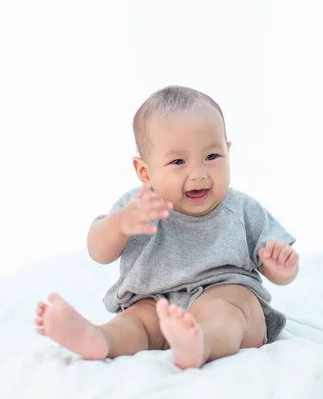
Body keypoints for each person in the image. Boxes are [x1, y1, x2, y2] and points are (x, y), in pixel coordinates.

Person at [34, 85, 299, 369]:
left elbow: (277, 269)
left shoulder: (242, 208)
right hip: (154, 302)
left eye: (212, 157)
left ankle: (201, 342)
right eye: (177, 162)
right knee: (136, 323)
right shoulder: (138, 207)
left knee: (229, 313)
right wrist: (119, 225)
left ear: (228, 151)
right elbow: (98, 251)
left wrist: (281, 268)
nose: (198, 174)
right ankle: (99, 339)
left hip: (224, 290)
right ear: (145, 172)